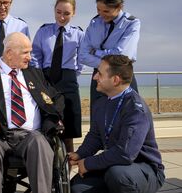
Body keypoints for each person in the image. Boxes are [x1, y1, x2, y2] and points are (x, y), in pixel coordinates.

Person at [0, 32, 64, 193]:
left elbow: (56, 98)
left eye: (30, 52)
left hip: (32, 135)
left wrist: (53, 121)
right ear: (9, 53)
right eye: (25, 52)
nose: (30, 57)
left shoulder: (35, 74)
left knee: (40, 142)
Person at [69, 55, 165, 193]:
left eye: (100, 74)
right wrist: (79, 155)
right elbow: (95, 136)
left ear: (115, 80)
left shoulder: (135, 109)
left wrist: (88, 163)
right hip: (114, 165)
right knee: (77, 187)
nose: (95, 77)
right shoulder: (101, 103)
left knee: (118, 176)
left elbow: (125, 154)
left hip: (144, 168)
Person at [31, 0, 84, 154]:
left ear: (73, 13)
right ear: (54, 10)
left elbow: (81, 59)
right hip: (46, 79)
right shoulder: (43, 32)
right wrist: (40, 79)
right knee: (46, 125)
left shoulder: (79, 34)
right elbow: (35, 56)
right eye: (59, 12)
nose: (62, 17)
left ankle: (66, 172)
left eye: (66, 13)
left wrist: (72, 74)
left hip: (68, 81)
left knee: (68, 130)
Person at [79, 0, 140, 112]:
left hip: (122, 76)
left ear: (119, 7)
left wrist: (96, 52)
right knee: (98, 118)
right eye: (98, 10)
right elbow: (83, 55)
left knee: (127, 116)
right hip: (99, 77)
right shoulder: (94, 23)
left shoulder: (132, 23)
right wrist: (106, 64)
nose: (101, 14)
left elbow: (122, 55)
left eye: (106, 11)